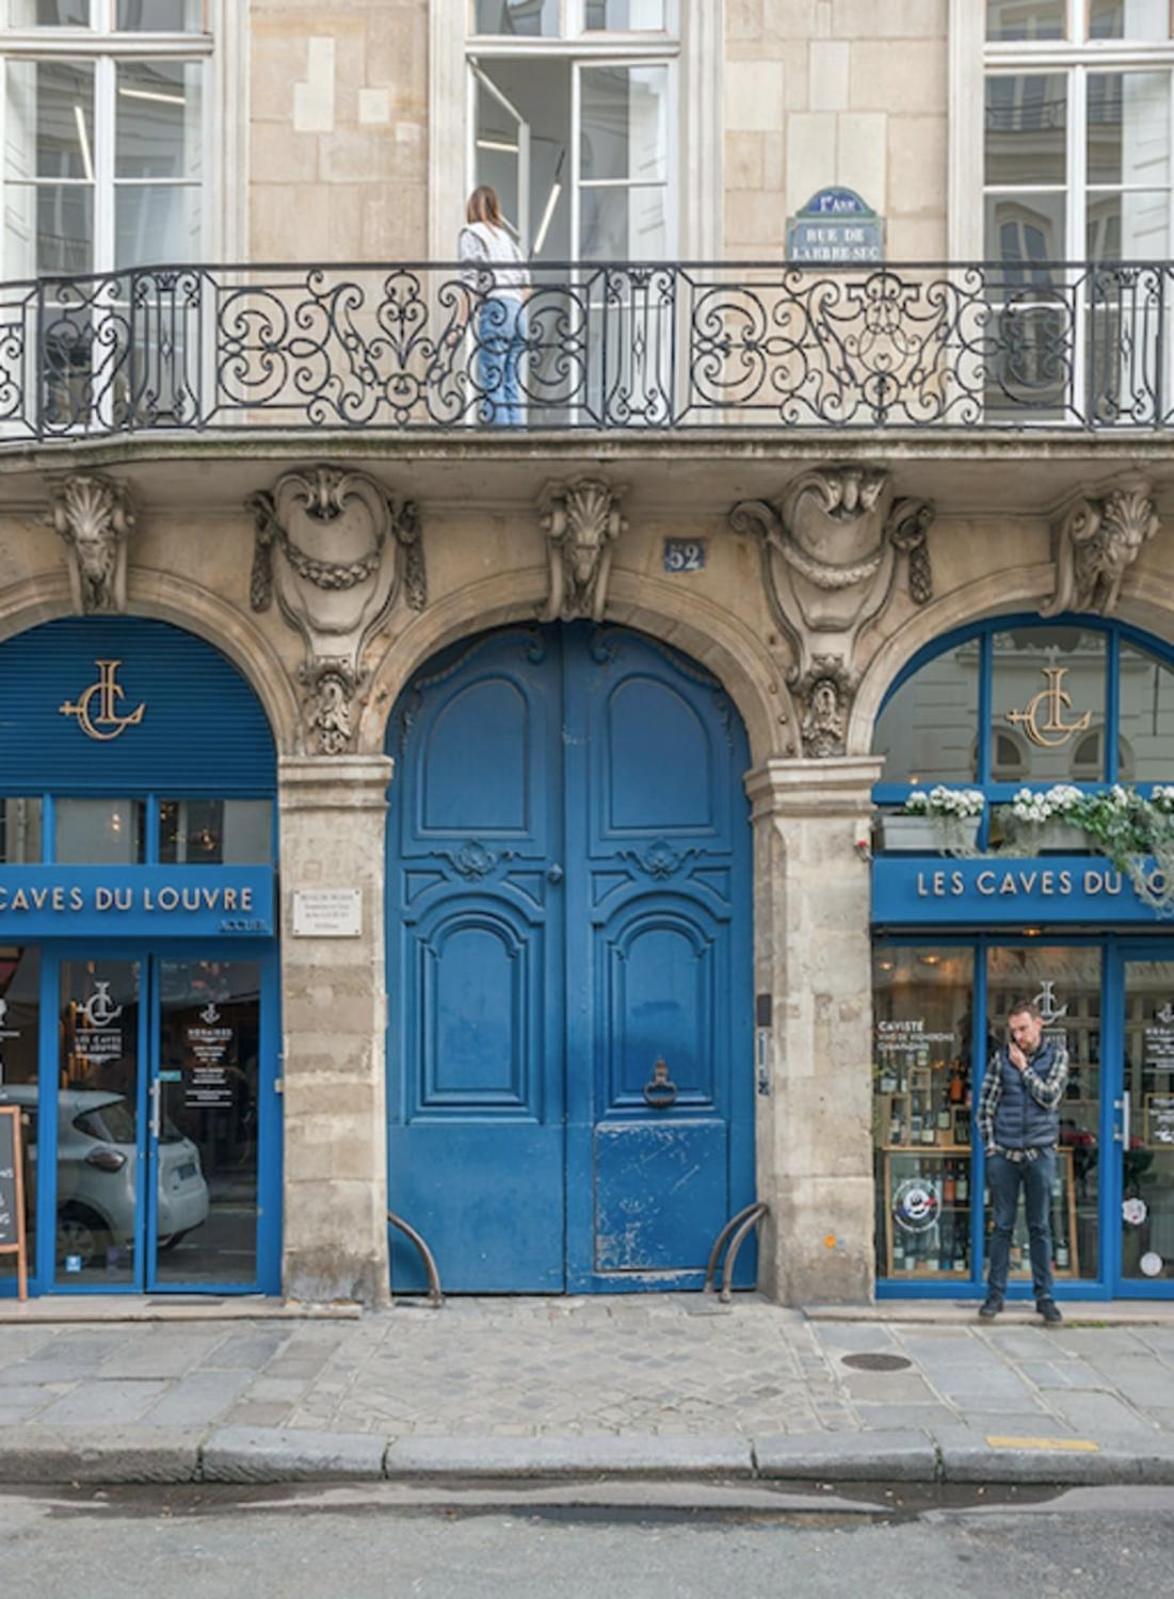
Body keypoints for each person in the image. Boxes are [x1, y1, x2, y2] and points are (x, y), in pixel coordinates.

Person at [976, 998, 1069, 1324]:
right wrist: (991, 1147)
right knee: (1002, 1227)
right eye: (1014, 1031)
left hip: (1039, 1154)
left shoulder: (1057, 1056)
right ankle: (995, 1295)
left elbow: (1048, 1097)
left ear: (1039, 1023)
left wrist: (1024, 1069)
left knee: (1040, 1227)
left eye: (1023, 1029)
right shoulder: (1000, 1060)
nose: (1018, 1037)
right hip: (1005, 1155)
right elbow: (984, 1106)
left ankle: (1045, 1297)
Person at [458, 186, 530, 426]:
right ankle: (517, 439)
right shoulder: (508, 240)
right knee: (510, 380)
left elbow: (469, 283)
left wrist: (459, 326)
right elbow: (526, 286)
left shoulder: (472, 233)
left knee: (493, 379)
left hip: (496, 308)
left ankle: (500, 438)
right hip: (518, 313)